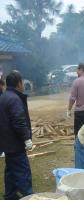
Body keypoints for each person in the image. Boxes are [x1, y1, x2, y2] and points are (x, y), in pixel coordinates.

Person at [0, 71, 33, 200]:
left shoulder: (3, 97)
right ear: (19, 84)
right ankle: (28, 196)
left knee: (10, 171)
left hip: (6, 143)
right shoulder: (14, 99)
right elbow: (19, 122)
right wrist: (26, 139)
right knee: (22, 172)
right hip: (15, 144)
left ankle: (10, 195)